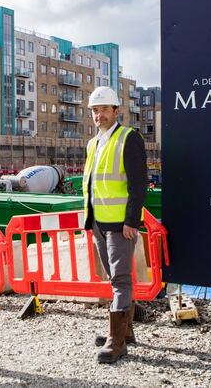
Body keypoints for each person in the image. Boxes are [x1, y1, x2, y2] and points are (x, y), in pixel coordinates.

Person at [82, 86, 147, 364]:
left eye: (104, 109)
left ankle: (116, 342)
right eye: (95, 111)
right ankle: (125, 330)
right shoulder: (93, 143)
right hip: (98, 221)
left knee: (120, 279)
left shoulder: (129, 138)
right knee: (113, 278)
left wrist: (132, 220)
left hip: (121, 224)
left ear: (116, 111)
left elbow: (138, 183)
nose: (99, 115)